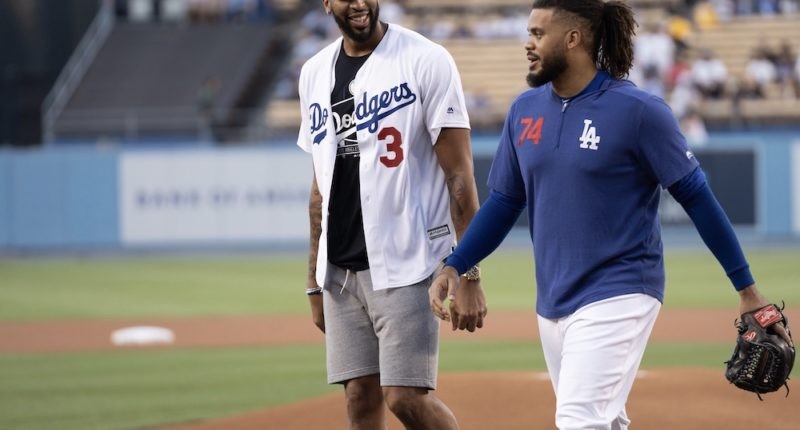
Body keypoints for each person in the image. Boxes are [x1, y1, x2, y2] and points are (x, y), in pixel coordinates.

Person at [429, 1, 792, 429]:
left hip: (621, 289)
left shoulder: (638, 112)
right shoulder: (524, 111)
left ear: (573, 39)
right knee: (605, 420)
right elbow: (505, 203)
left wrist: (747, 289)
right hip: (553, 300)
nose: (527, 44)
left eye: (538, 34)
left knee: (579, 419)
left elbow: (697, 196)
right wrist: (456, 264)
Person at [296, 0, 486, 428]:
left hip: (409, 260)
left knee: (405, 398)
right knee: (359, 398)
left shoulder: (425, 60)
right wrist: (313, 282)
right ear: (328, 3)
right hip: (341, 271)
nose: (359, 2)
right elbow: (318, 188)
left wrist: (470, 274)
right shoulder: (313, 73)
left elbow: (460, 177)